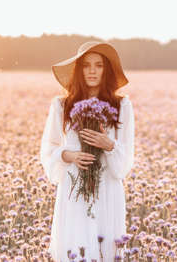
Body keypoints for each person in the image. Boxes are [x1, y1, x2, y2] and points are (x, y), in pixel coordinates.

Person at [40, 41, 135, 261]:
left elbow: (126, 160)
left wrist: (108, 144)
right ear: (79, 70)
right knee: (74, 246)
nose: (92, 70)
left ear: (106, 71)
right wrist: (69, 155)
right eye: (86, 65)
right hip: (74, 189)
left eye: (99, 65)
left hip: (107, 190)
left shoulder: (122, 106)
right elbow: (48, 148)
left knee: (105, 249)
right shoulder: (61, 105)